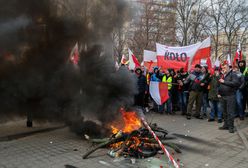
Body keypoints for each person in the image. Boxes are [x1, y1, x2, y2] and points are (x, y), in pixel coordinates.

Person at [218, 62, 240, 133]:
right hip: (222, 96)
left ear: (228, 67)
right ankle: (226, 125)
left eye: (224, 67)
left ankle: (231, 127)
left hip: (230, 96)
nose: (223, 69)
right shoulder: (222, 75)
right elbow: (219, 85)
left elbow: (236, 83)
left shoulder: (233, 74)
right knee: (224, 112)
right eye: (222, 68)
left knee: (230, 112)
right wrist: (219, 93)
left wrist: (224, 81)